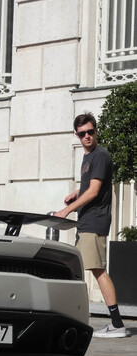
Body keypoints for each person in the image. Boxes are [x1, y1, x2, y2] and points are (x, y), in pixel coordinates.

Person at [55, 112, 126, 338]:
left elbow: (95, 191)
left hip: (94, 220)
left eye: (90, 131)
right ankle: (108, 322)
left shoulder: (100, 155)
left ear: (96, 131)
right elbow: (90, 185)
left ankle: (116, 324)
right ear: (76, 135)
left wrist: (67, 209)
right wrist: (75, 193)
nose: (87, 136)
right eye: (82, 133)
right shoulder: (88, 158)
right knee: (88, 269)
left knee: (98, 270)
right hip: (87, 220)